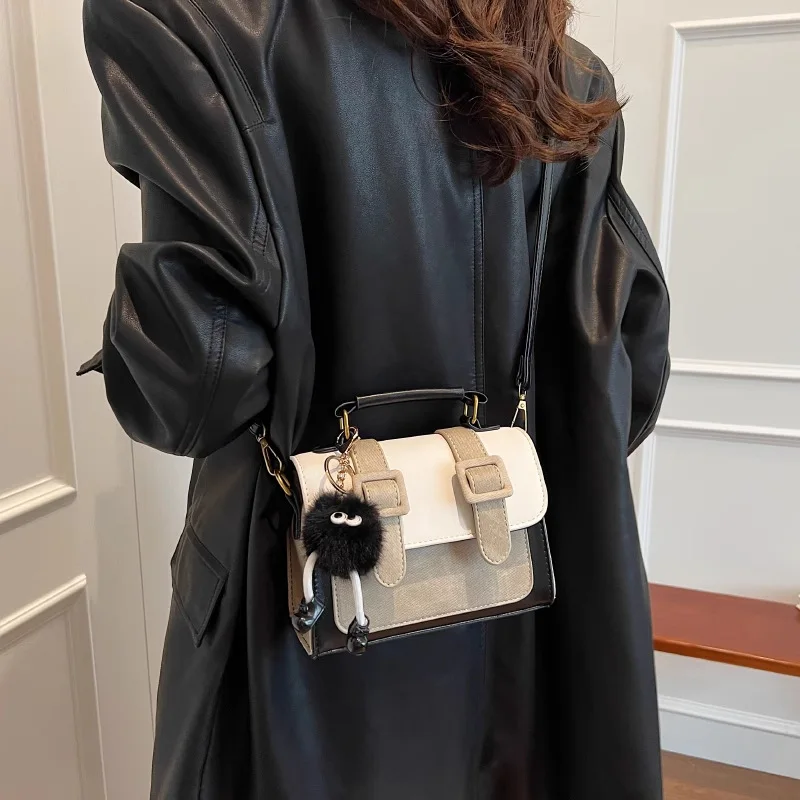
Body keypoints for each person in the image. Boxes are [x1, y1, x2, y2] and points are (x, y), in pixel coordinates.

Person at [81, 0, 670, 797]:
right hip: (519, 613)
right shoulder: (562, 70)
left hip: (297, 624)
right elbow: (628, 373)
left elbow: (194, 386)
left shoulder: (190, 20)